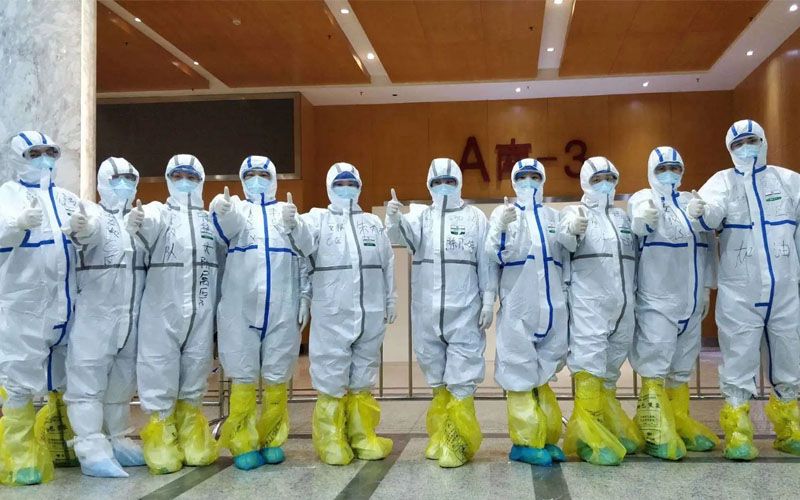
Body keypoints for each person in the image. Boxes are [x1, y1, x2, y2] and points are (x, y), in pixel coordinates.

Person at [695, 119, 800, 461]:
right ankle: (738, 429)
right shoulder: (721, 183)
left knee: (789, 353)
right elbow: (707, 218)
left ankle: (790, 426)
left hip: (785, 287)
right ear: (730, 149)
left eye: (752, 140)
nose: (746, 148)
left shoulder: (789, 182)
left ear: (764, 141)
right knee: (738, 356)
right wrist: (703, 210)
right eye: (738, 144)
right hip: (740, 291)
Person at [385, 158, 496, 468]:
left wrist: (489, 299)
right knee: (435, 376)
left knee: (462, 377)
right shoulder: (421, 217)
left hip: (465, 310)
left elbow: (486, 261)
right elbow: (399, 237)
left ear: (459, 183)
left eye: (449, 181)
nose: (443, 187)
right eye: (437, 183)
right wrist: (393, 218)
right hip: (427, 312)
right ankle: (441, 435)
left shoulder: (475, 218)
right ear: (428, 186)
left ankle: (459, 441)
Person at [285, 162, 396, 466]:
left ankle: (362, 435)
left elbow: (387, 263)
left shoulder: (372, 223)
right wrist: (293, 224)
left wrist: (391, 299)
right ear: (329, 187)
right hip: (332, 312)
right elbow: (303, 243)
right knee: (331, 374)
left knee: (363, 375)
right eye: (340, 184)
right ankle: (331, 438)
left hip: (370, 312)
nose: (346, 189)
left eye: (351, 183)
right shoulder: (317, 219)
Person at [125, 154, 224, 474]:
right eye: (178, 176)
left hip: (201, 313)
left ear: (202, 181)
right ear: (168, 179)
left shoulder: (210, 221)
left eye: (192, 177)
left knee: (195, 370)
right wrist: (137, 221)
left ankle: (190, 432)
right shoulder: (159, 212)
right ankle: (161, 435)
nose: (185, 182)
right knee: (159, 369)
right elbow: (146, 224)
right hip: (162, 312)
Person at [210, 156, 310, 470]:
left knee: (277, 375)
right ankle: (241, 441)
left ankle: (272, 439)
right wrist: (222, 209)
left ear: (274, 178)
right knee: (243, 375)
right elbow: (222, 231)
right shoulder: (238, 210)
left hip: (282, 308)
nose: (257, 179)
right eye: (250, 174)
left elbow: (305, 254)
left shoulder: (287, 213)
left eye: (263, 174)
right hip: (240, 310)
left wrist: (304, 296)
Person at [0, 131, 81, 485]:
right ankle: (18, 457)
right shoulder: (7, 195)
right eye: (35, 153)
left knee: (63, 378)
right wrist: (15, 225)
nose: (44, 159)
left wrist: (87, 229)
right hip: (25, 306)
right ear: (19, 157)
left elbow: (91, 233)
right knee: (19, 381)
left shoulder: (66, 198)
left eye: (51, 152)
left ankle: (60, 443)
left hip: (67, 304)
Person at [628, 147, 719, 461]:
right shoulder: (644, 198)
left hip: (690, 302)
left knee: (681, 366)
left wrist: (706, 289)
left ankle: (678, 419)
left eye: (675, 168)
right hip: (657, 301)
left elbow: (707, 248)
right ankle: (654, 429)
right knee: (656, 362)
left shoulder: (690, 203)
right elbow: (639, 221)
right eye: (662, 168)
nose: (669, 174)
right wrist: (644, 218)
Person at [62, 157, 147, 477]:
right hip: (95, 315)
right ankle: (90, 446)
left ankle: (117, 437)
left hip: (130, 316)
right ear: (102, 182)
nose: (124, 185)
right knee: (88, 378)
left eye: (130, 179)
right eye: (116, 179)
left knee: (121, 383)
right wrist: (81, 228)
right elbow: (86, 232)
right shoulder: (93, 213)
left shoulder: (138, 220)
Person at [558, 156, 644, 466]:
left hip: (623, 304)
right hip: (590, 304)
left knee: (611, 365)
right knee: (590, 363)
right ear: (585, 182)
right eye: (597, 179)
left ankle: (607, 422)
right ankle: (587, 437)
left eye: (609, 178)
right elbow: (564, 237)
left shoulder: (622, 218)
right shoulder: (575, 212)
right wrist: (572, 230)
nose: (604, 184)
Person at [485, 159, 568, 466]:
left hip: (553, 306)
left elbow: (565, 258)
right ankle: (524, 442)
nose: (529, 181)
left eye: (535, 176)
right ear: (513, 181)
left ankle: (546, 437)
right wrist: (500, 227)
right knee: (519, 371)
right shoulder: (505, 214)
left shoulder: (553, 216)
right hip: (518, 307)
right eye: (523, 176)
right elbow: (493, 255)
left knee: (545, 371)